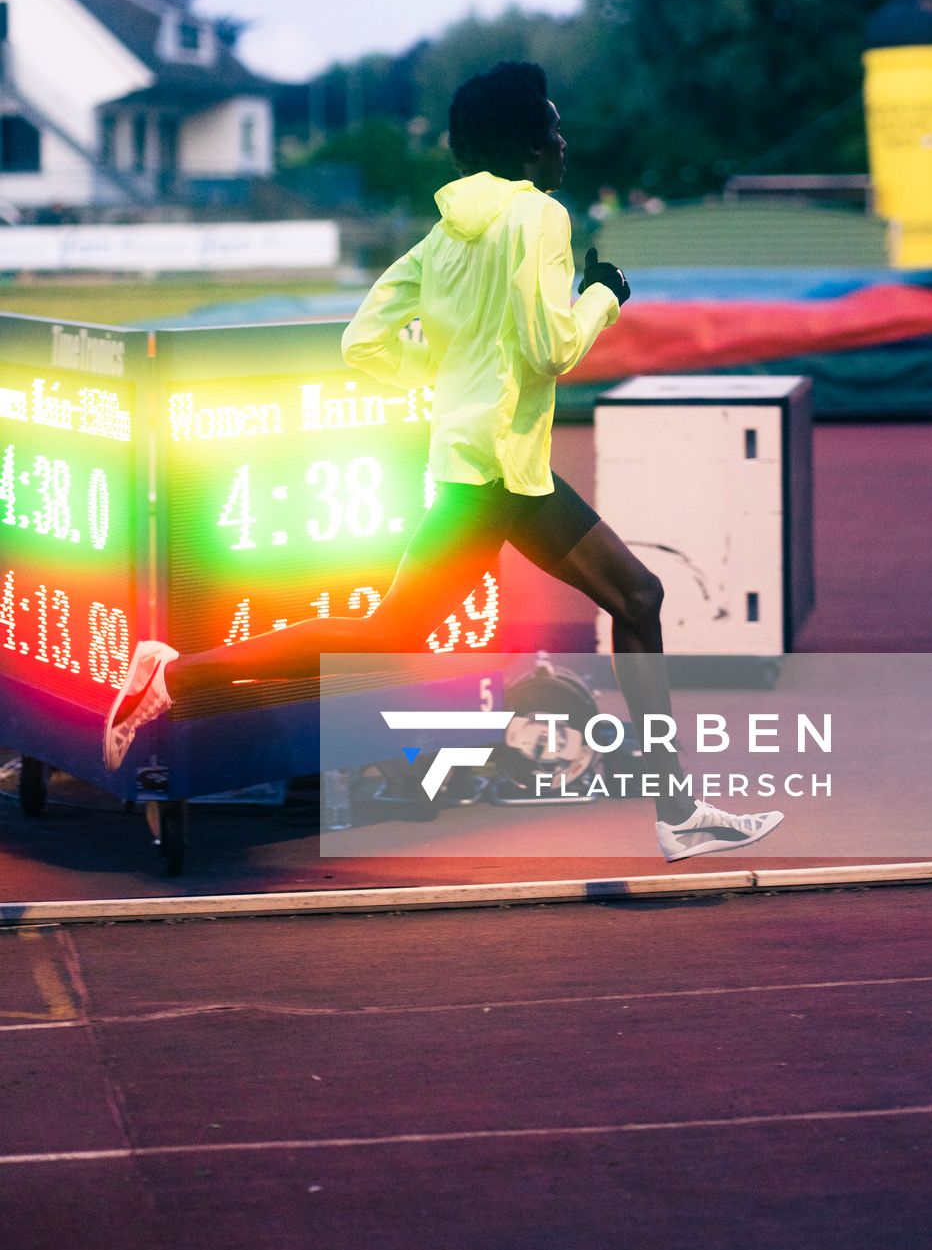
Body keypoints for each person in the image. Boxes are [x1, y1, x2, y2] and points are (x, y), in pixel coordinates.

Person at [103, 62, 783, 863]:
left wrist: (453, 381)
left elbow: (364, 344)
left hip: (498, 470)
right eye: (555, 133)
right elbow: (548, 348)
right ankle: (174, 678)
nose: (564, 147)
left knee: (636, 594)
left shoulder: (439, 236)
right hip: (493, 478)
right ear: (530, 150)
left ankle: (677, 809)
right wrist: (604, 293)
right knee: (393, 631)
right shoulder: (538, 217)